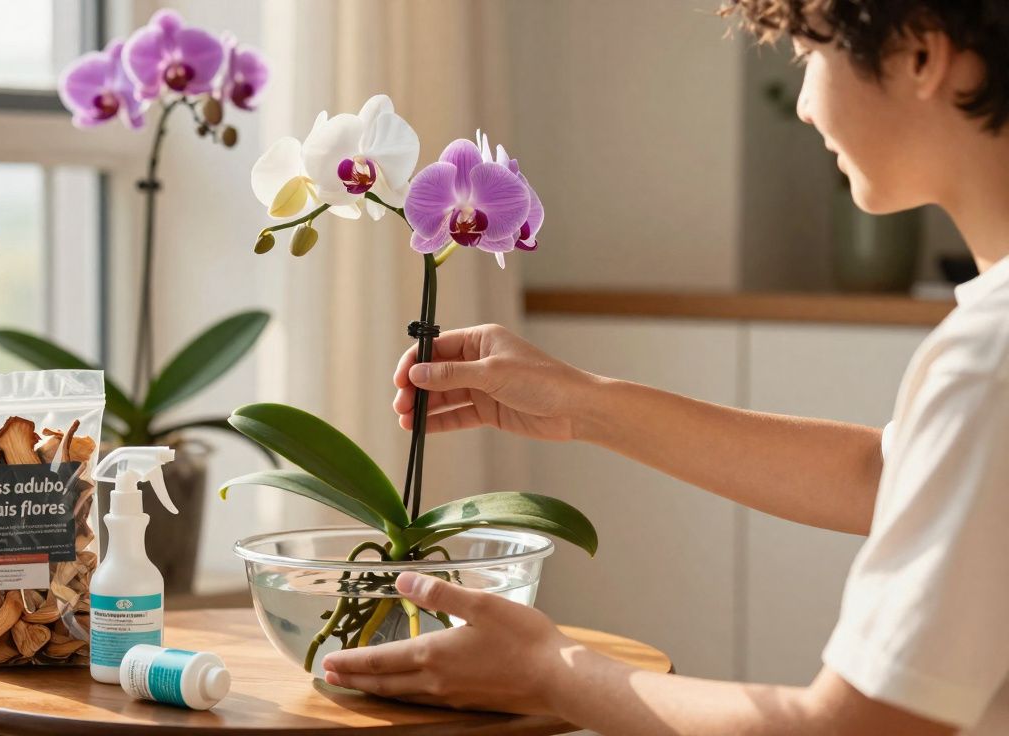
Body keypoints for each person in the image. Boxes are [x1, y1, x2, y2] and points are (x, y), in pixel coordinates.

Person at [319, 1, 1009, 733]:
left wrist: (552, 675)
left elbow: (852, 729)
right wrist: (581, 403)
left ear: (922, 59)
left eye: (810, 54)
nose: (805, 107)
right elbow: (886, 477)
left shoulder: (987, 360)